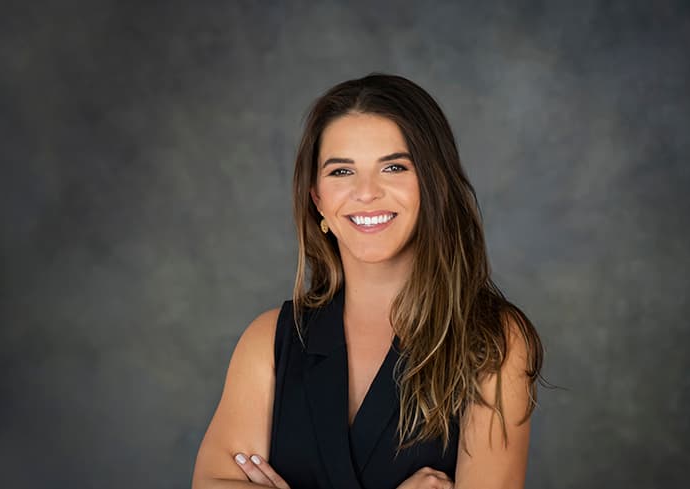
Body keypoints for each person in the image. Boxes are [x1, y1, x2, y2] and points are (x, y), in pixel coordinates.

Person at [191, 73, 544, 489]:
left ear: (433, 185)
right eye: (341, 171)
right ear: (317, 199)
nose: (366, 193)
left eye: (394, 167)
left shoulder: (493, 340)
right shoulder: (270, 341)